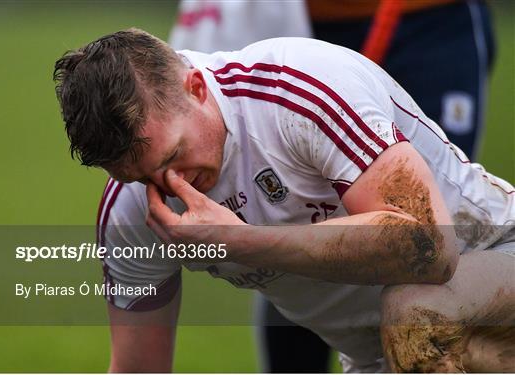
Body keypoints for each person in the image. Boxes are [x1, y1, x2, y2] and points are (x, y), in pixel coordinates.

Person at [53, 29, 515, 373]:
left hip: (495, 256)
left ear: (196, 88)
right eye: (141, 178)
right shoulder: (130, 214)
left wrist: (242, 241)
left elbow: (432, 249)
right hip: (386, 357)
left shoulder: (296, 90)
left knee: (415, 313)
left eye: (174, 156)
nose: (173, 186)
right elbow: (139, 370)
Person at [169, 2, 497, 370]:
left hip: (426, 21)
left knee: (434, 219)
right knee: (290, 221)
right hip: (306, 24)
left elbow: (427, 238)